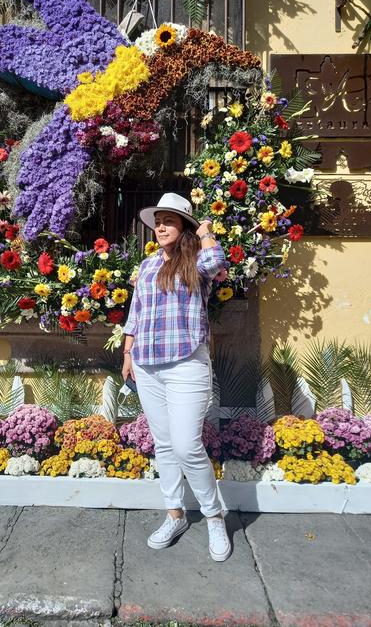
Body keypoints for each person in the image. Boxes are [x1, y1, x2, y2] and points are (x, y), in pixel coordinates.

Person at [121, 192, 232, 561]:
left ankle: (214, 516)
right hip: (148, 364)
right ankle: (175, 514)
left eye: (169, 220)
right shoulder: (148, 265)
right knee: (165, 446)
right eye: (158, 221)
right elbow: (136, 310)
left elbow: (220, 263)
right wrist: (127, 351)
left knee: (187, 445)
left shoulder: (197, 259)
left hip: (187, 362)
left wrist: (206, 232)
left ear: (183, 225)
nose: (161, 227)